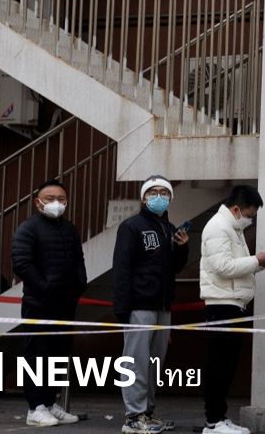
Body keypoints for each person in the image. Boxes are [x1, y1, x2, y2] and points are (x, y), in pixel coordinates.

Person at [113, 175, 190, 434]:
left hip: (163, 305)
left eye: (164, 192)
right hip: (139, 305)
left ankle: (147, 412)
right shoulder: (131, 226)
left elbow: (174, 267)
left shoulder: (169, 228)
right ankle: (133, 417)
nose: (159, 197)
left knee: (155, 362)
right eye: (152, 192)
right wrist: (122, 308)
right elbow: (122, 268)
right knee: (136, 362)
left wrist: (182, 248)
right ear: (143, 198)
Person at [199, 185, 265, 434]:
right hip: (221, 305)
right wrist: (256, 260)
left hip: (232, 303)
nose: (250, 220)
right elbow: (223, 267)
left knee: (226, 365)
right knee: (219, 365)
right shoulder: (218, 227)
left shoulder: (232, 228)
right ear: (236, 209)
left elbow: (234, 265)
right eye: (250, 214)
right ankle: (213, 421)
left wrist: (259, 263)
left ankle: (219, 417)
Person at [11, 179, 87, 427]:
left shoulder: (70, 229)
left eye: (61, 199)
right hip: (39, 304)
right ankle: (35, 408)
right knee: (36, 355)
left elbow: (78, 259)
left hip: (66, 304)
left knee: (58, 355)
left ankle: (50, 403)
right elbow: (22, 264)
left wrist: (80, 284)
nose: (56, 203)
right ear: (38, 203)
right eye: (50, 198)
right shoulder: (28, 229)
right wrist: (44, 288)